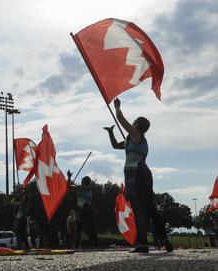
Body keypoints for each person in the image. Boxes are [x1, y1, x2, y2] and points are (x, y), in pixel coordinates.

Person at [104, 98, 174, 253]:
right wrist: (111, 132)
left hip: (137, 175)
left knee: (139, 209)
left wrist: (117, 107)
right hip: (141, 174)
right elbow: (116, 145)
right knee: (149, 208)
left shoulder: (137, 136)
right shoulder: (132, 140)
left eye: (134, 122)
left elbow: (121, 119)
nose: (133, 123)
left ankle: (142, 243)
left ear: (138, 126)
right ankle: (164, 238)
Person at [70, 175, 99, 249]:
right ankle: (95, 245)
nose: (81, 181)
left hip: (83, 208)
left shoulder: (82, 187)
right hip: (88, 209)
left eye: (82, 180)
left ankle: (76, 245)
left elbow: (69, 187)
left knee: (79, 228)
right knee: (90, 228)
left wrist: (69, 177)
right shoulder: (88, 189)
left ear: (84, 182)